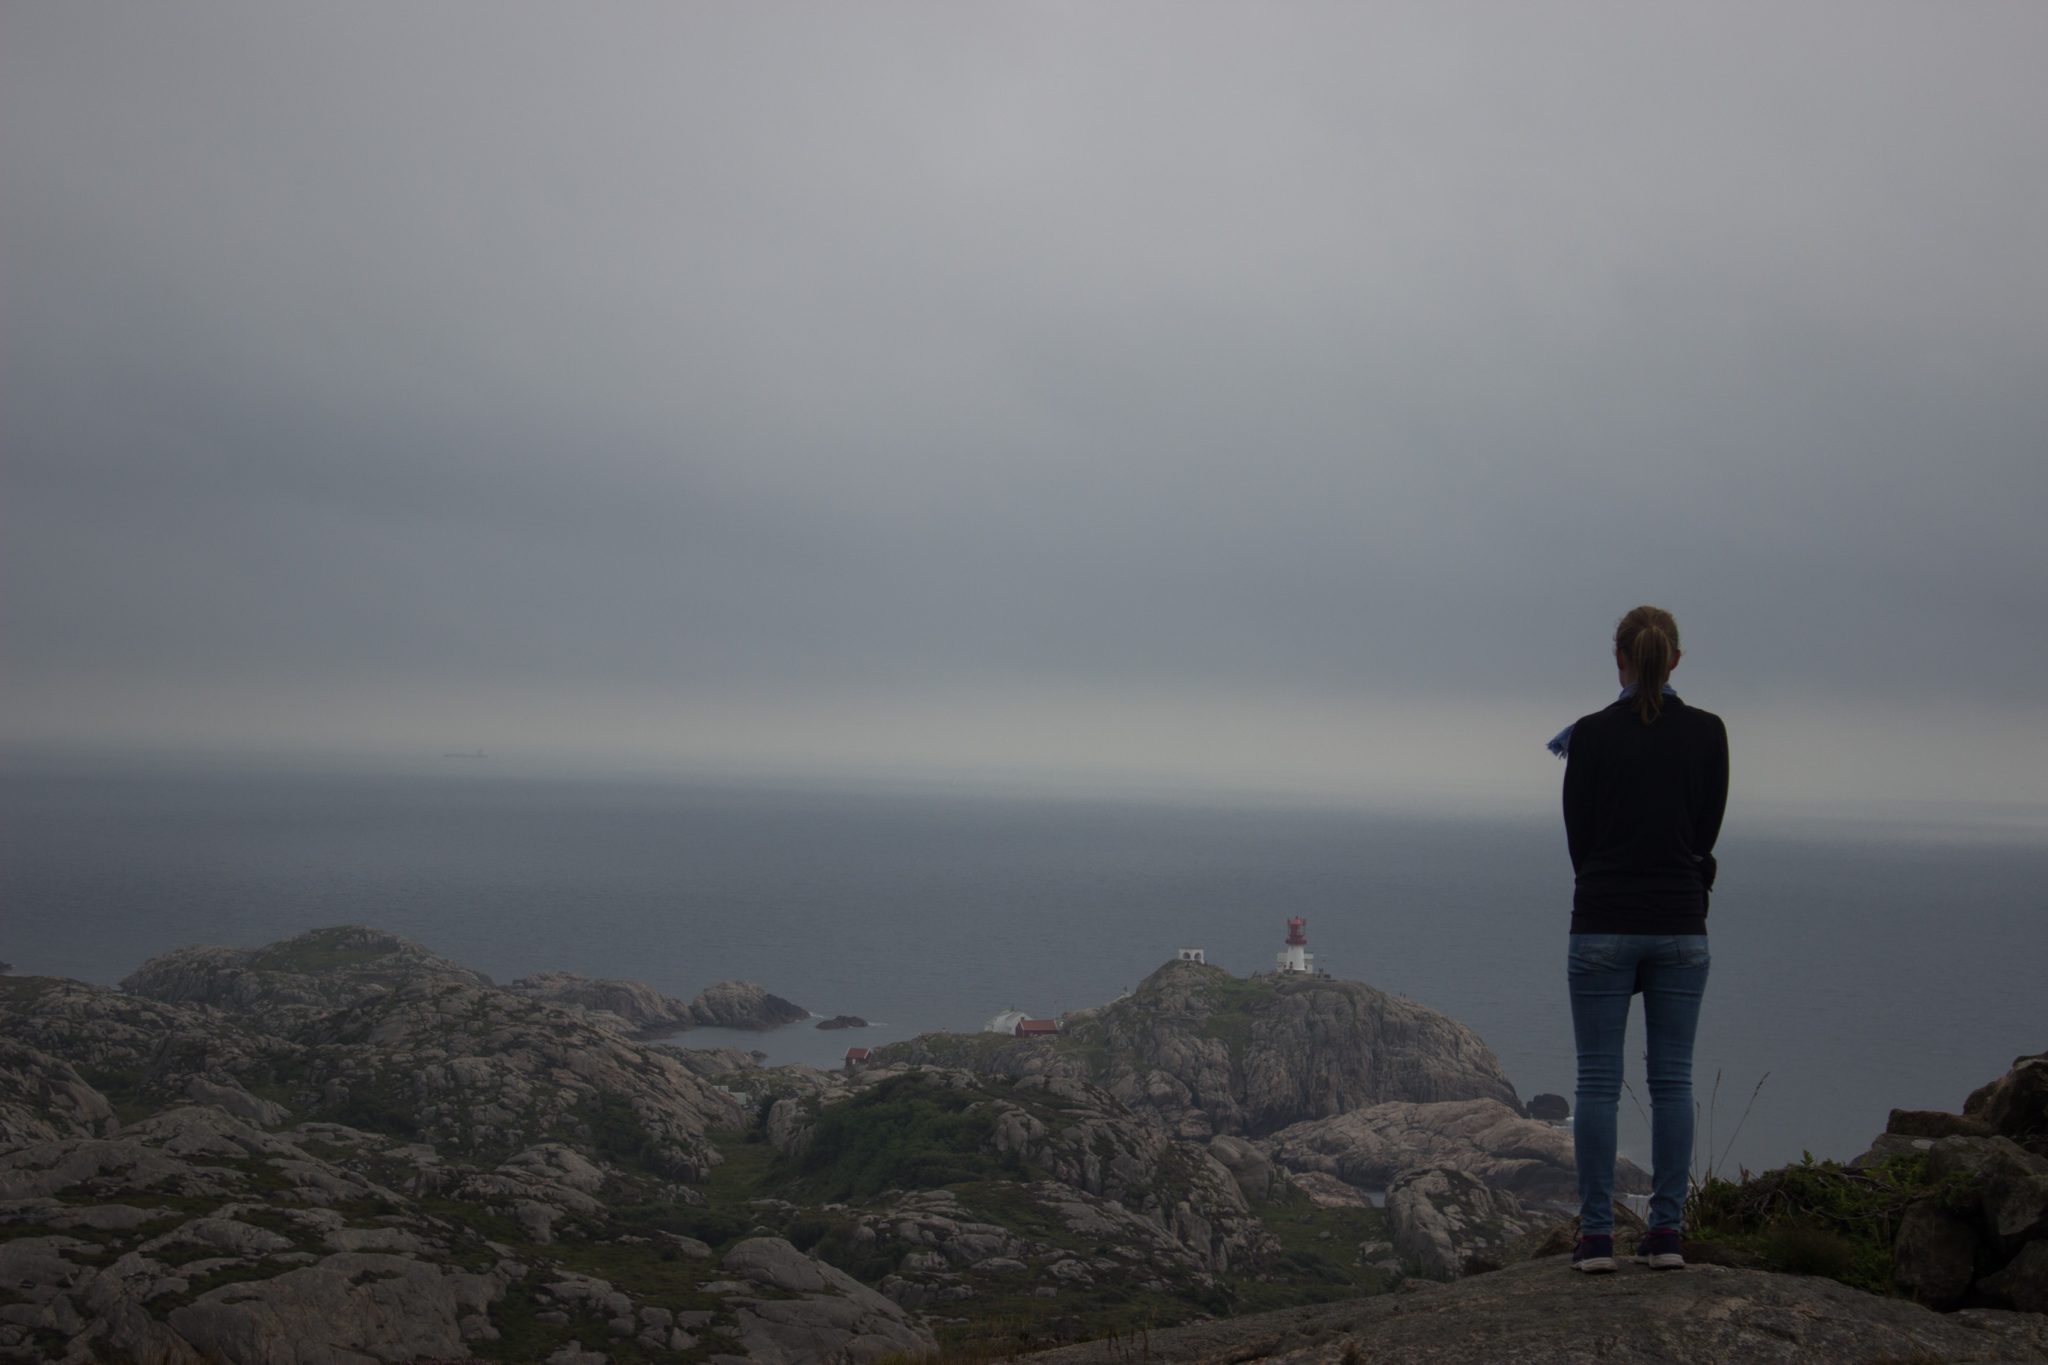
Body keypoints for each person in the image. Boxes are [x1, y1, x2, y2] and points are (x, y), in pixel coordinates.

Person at [1554, 605, 1727, 1273]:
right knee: (1672, 1081)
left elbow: (1579, 837)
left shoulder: (1589, 736)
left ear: (1618, 658)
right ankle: (1666, 1233)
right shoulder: (1709, 733)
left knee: (1597, 1081)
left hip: (1600, 921)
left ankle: (1596, 1235)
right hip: (1682, 925)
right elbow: (1703, 829)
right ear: (1676, 658)